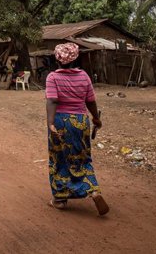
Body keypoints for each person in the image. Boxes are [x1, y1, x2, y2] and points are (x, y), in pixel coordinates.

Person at [45, 42, 109, 216]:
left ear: (57, 59)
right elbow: (90, 101)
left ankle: (59, 199)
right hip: (81, 122)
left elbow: (52, 101)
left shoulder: (53, 77)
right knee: (82, 157)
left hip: (60, 122)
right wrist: (96, 118)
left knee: (59, 158)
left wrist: (50, 123)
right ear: (75, 58)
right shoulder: (84, 76)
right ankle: (93, 190)